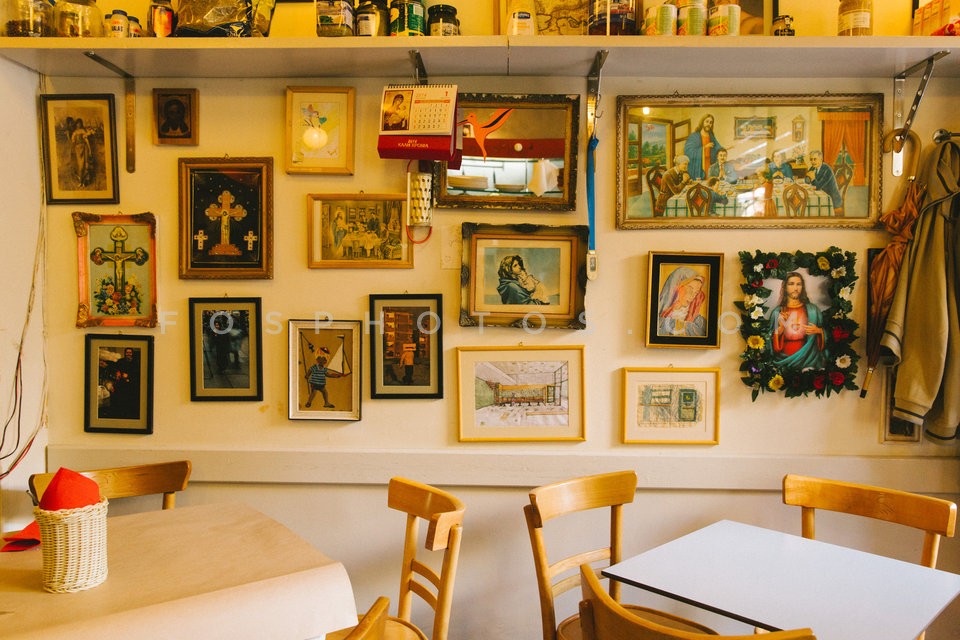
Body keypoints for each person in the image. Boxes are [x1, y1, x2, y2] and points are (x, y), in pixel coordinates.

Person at [767, 271, 826, 370]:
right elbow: (770, 342)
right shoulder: (778, 312)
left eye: (799, 284)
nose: (795, 288)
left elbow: (826, 334)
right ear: (785, 287)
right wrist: (779, 331)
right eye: (791, 284)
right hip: (783, 359)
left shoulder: (813, 310)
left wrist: (819, 331)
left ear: (802, 287)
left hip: (808, 358)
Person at [657, 268, 707, 337]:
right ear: (676, 288)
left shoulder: (699, 322)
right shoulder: (656, 316)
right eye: (690, 290)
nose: (692, 296)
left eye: (696, 292)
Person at [683, 113, 722, 180]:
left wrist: (724, 150)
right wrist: (704, 148)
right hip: (698, 165)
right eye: (707, 121)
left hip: (710, 164)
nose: (708, 124)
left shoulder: (711, 136)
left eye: (711, 122)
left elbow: (718, 148)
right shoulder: (694, 136)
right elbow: (688, 151)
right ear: (702, 122)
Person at [806, 150, 844, 215]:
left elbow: (818, 187)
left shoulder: (827, 169)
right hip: (822, 197)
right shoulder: (813, 167)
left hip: (832, 200)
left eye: (815, 159)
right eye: (811, 159)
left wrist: (812, 178)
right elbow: (806, 181)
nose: (812, 161)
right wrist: (808, 177)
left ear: (821, 159)